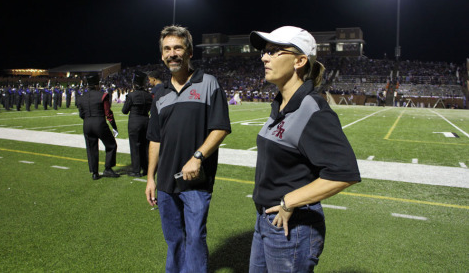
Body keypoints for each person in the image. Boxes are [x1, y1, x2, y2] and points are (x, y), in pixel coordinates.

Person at [248, 26, 361, 272]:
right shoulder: (280, 103)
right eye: (265, 51)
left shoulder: (312, 109)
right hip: (266, 220)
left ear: (299, 61)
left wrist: (290, 201)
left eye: (275, 51)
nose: (264, 57)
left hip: (293, 226)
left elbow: (344, 172)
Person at [145, 25, 231, 272]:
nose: (172, 53)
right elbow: (155, 139)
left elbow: (220, 128)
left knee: (194, 238)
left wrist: (197, 157)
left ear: (189, 52)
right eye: (167, 49)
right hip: (164, 183)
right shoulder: (159, 93)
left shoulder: (208, 83)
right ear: (162, 55)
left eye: (178, 48)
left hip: (195, 182)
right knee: (174, 239)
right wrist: (151, 177)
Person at [77, 73, 120, 180]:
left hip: (86, 124)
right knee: (111, 145)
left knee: (91, 148)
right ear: (97, 84)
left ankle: (95, 173)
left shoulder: (81, 98)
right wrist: (114, 126)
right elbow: (108, 113)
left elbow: (81, 114)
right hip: (99, 123)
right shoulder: (102, 95)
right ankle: (108, 168)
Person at [122, 71, 152, 177]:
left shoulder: (131, 95)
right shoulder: (148, 95)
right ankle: (146, 168)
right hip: (146, 121)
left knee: (135, 146)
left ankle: (136, 170)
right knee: (145, 147)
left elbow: (124, 110)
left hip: (135, 122)